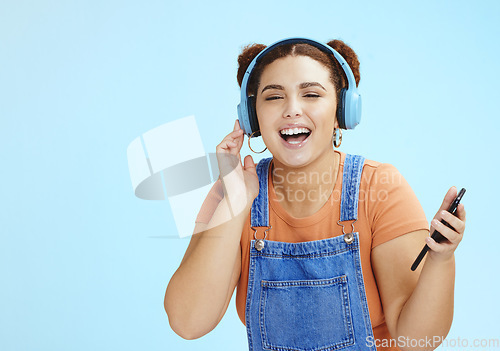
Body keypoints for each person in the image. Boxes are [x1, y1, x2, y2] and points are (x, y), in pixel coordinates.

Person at [164, 38, 466, 351]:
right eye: (274, 97)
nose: (292, 110)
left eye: (311, 94)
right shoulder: (233, 190)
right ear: (253, 117)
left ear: (342, 111)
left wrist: (441, 260)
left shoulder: (380, 187)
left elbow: (417, 340)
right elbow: (188, 323)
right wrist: (235, 204)